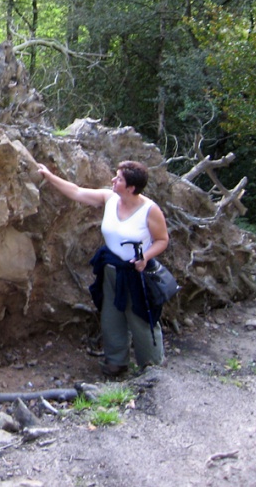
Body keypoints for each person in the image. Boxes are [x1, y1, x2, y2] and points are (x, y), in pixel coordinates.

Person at [36, 160, 170, 377]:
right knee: (111, 315)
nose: (113, 180)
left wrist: (145, 256)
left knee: (141, 317)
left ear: (131, 188)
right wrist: (49, 176)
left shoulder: (149, 210)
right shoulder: (110, 198)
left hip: (137, 272)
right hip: (111, 269)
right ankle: (116, 363)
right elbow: (77, 192)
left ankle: (152, 366)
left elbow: (162, 240)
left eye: (119, 179)